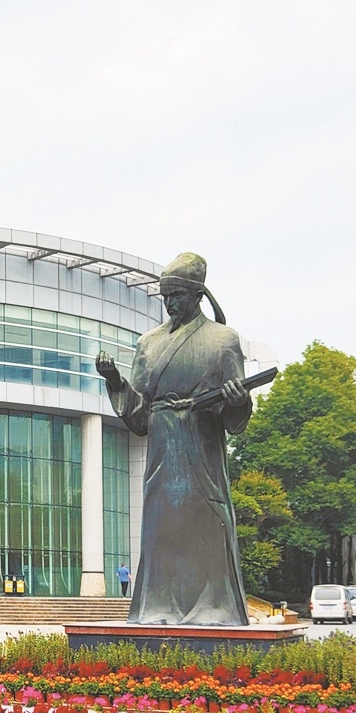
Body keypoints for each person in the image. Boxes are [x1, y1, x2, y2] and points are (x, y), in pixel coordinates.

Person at [96, 252, 251, 626]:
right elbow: (140, 416)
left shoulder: (223, 340)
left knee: (207, 522)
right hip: (163, 450)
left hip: (201, 446)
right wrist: (115, 381)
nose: (169, 303)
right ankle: (157, 607)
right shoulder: (148, 343)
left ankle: (216, 607)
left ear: (197, 294)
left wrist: (238, 401)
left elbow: (235, 420)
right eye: (165, 296)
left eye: (177, 295)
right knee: (161, 526)